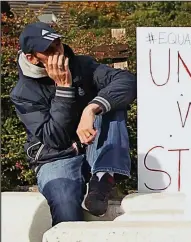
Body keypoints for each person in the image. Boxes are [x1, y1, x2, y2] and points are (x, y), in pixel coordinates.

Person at [10, 22, 137, 226]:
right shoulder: (23, 93)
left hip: (92, 146)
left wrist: (92, 108)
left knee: (112, 103)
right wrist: (64, 88)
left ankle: (103, 177)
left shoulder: (82, 65)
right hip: (55, 157)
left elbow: (127, 81)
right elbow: (55, 138)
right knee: (64, 202)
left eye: (58, 44)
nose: (58, 53)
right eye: (49, 50)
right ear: (31, 58)